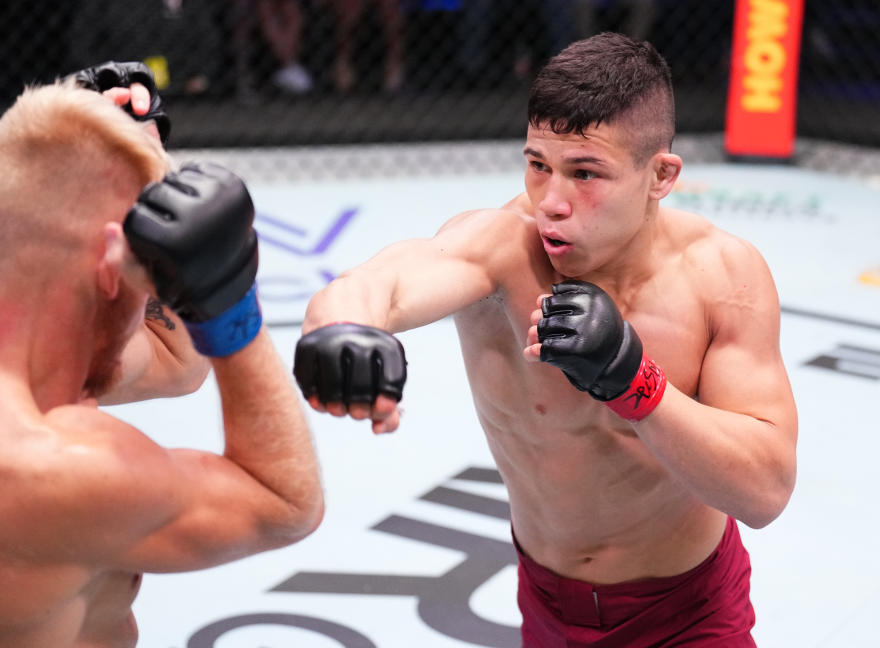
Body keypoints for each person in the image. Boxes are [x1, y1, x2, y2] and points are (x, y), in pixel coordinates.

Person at [293, 32, 797, 647]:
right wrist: (345, 327)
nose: (551, 202)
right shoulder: (503, 248)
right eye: (538, 165)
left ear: (660, 176)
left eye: (586, 173)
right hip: (543, 598)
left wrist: (634, 385)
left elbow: (766, 492)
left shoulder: (720, 277)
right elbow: (384, 283)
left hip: (688, 611)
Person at [0, 69, 323, 646]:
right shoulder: (62, 467)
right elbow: (286, 504)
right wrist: (227, 303)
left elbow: (175, 362)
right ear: (114, 271)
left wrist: (141, 163)